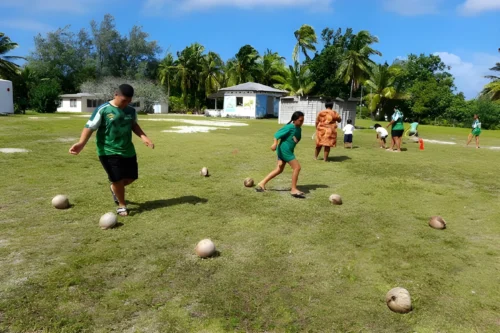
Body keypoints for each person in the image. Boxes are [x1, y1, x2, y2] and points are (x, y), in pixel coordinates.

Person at [69, 84, 155, 216]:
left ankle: (114, 188)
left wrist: (144, 137)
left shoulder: (131, 111)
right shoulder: (103, 109)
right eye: (123, 100)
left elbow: (134, 125)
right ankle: (122, 205)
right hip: (108, 150)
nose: (126, 103)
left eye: (129, 101)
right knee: (117, 179)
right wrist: (81, 143)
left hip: (127, 150)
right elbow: (90, 127)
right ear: (115, 95)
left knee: (131, 177)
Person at [256, 111, 305, 198]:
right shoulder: (289, 127)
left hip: (287, 151)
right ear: (294, 120)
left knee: (279, 169)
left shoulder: (298, 129)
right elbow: (276, 135)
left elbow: (294, 140)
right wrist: (274, 144)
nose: (302, 122)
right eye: (300, 120)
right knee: (297, 167)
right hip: (285, 151)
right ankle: (293, 189)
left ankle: (261, 183)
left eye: (303, 120)